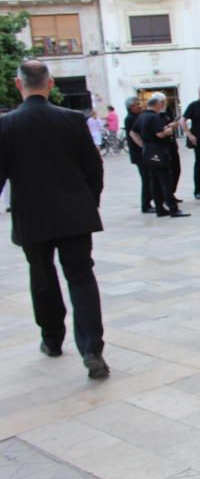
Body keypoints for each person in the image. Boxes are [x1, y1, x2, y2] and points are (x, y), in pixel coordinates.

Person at [0, 60, 110, 379]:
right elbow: (94, 169)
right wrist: (88, 203)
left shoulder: (6, 126)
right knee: (81, 278)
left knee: (42, 277)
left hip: (31, 218)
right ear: (50, 85)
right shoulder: (73, 120)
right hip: (74, 216)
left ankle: (51, 339)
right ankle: (92, 349)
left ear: (19, 85)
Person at [130, 93, 190, 218]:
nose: (162, 106)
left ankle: (159, 208)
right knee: (165, 181)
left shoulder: (142, 117)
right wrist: (170, 129)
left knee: (154, 181)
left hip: (148, 152)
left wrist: (143, 145)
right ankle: (173, 209)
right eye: (161, 104)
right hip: (159, 152)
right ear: (157, 105)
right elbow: (160, 134)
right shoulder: (154, 117)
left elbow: (133, 133)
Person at [123, 97, 153, 213]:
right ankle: (146, 205)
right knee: (146, 179)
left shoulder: (136, 117)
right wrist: (144, 147)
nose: (139, 106)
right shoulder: (130, 119)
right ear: (131, 107)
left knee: (149, 178)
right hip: (139, 154)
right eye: (137, 104)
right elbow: (134, 134)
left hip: (142, 153)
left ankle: (150, 202)